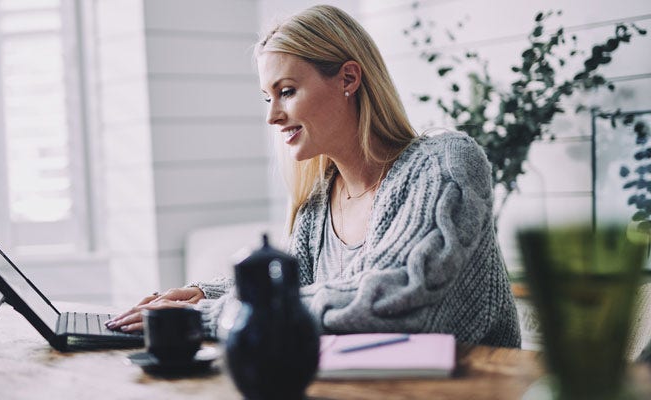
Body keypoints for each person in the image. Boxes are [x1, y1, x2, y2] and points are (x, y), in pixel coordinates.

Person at [106, 4, 521, 348]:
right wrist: (203, 295)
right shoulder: (321, 199)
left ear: (348, 78)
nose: (272, 115)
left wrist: (210, 315)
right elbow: (300, 294)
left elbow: (394, 300)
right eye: (268, 97)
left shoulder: (445, 163)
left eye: (286, 92)